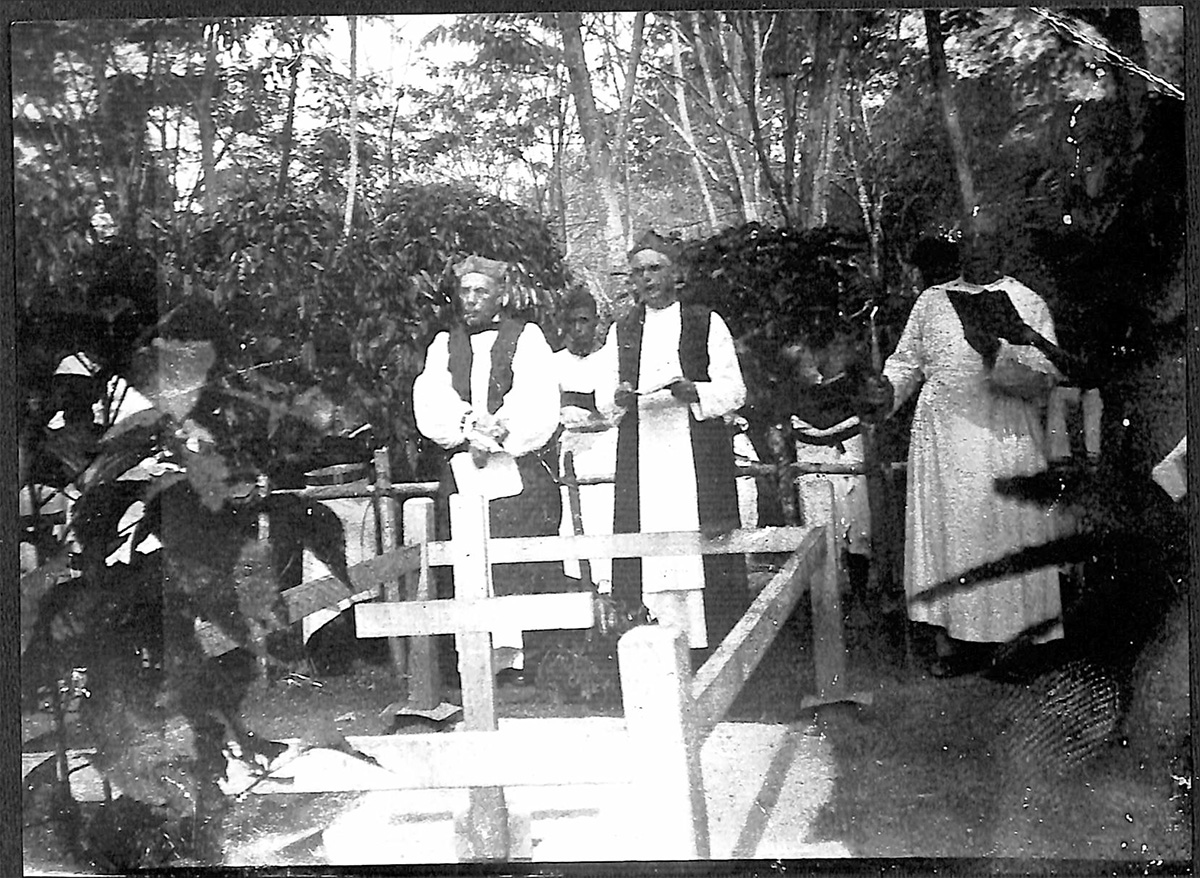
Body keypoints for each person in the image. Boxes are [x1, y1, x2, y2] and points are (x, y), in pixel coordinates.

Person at [861, 229, 1065, 676]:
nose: (975, 251)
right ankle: (957, 644)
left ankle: (1016, 649)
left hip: (1003, 435)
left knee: (1004, 535)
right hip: (944, 439)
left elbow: (1046, 376)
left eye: (986, 242)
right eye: (967, 242)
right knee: (951, 539)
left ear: (1002, 248)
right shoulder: (933, 301)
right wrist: (886, 391)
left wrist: (999, 355)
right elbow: (905, 363)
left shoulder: (1026, 301)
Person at [597, 230, 751, 659]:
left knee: (699, 540)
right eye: (637, 272)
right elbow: (604, 394)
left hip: (694, 448)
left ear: (676, 274)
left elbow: (734, 388)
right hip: (643, 450)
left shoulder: (705, 321)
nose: (645, 279)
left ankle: (711, 646)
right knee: (647, 543)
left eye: (654, 269)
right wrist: (620, 396)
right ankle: (649, 644)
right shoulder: (622, 329)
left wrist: (695, 391)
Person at [412, 254, 565, 681]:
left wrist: (498, 434)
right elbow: (431, 398)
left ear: (500, 295)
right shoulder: (445, 343)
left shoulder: (526, 337)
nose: (473, 300)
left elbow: (536, 395)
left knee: (514, 559)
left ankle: (520, 661)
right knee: (465, 559)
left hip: (514, 467)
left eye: (482, 292)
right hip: (464, 467)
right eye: (466, 292)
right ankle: (471, 658)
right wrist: (468, 427)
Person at [553, 286, 618, 592]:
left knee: (608, 516)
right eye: (573, 322)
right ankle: (584, 590)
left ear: (596, 323)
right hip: (572, 452)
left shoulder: (610, 360)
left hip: (606, 449)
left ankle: (610, 589)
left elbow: (616, 410)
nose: (579, 329)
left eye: (585, 321)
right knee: (576, 521)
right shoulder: (553, 364)